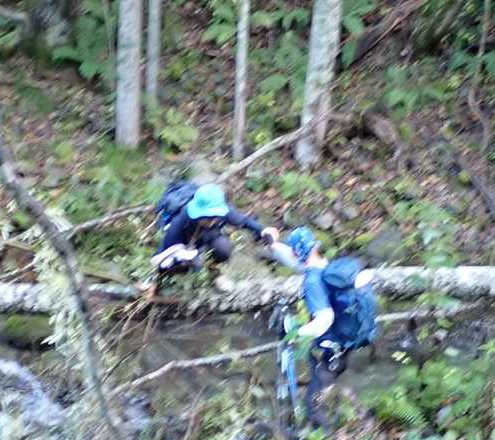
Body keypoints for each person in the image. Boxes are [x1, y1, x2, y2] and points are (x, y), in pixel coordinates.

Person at [282, 227, 379, 427]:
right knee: (328, 381)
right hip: (348, 339)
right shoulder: (327, 268)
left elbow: (324, 319)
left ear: (297, 252)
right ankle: (362, 419)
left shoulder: (312, 281)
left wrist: (295, 334)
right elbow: (295, 261)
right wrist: (272, 244)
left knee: (313, 405)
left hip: (335, 347)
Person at [151, 181, 279, 277]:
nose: (211, 220)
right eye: (207, 217)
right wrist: (179, 257)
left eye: (215, 217)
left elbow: (244, 221)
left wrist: (263, 231)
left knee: (223, 248)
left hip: (207, 239)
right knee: (190, 264)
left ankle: (213, 270)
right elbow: (159, 257)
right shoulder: (181, 221)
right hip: (183, 247)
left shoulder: (222, 211)